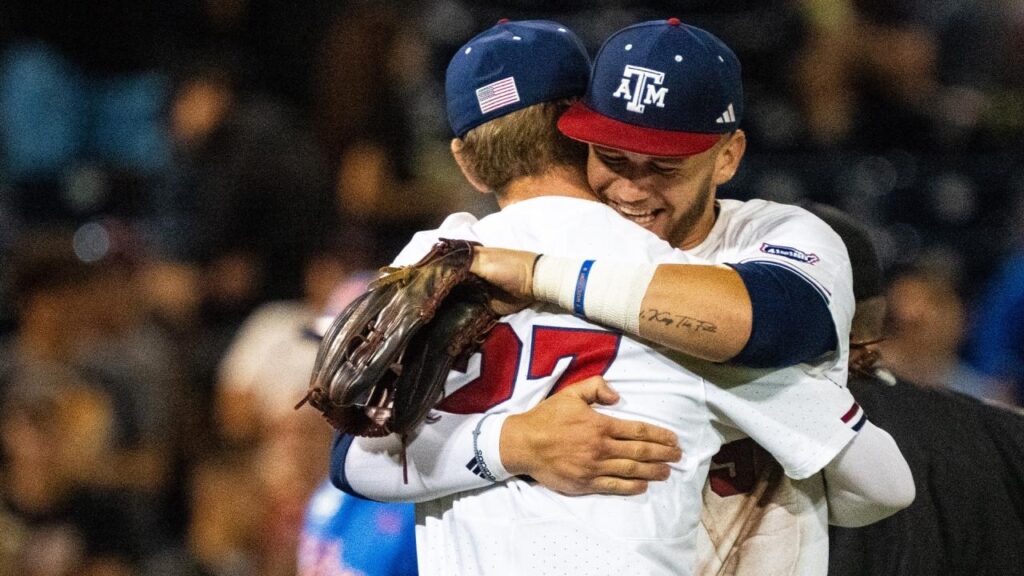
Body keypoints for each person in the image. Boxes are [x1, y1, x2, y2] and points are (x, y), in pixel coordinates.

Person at [329, 19, 911, 576]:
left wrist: (537, 275)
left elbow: (778, 319)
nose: (632, 187)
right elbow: (352, 454)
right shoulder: (463, 259)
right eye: (612, 156)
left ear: (728, 155)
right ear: (576, 134)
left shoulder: (769, 241)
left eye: (664, 165)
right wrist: (518, 443)